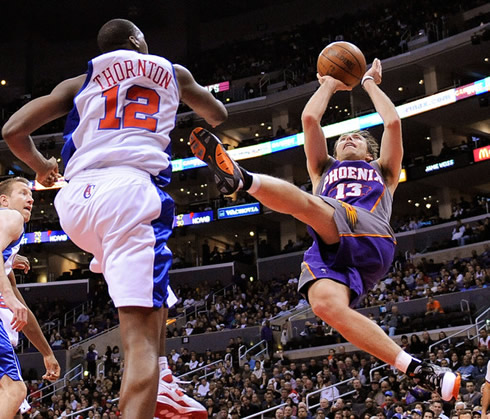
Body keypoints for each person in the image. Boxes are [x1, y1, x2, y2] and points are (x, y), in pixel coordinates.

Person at [189, 58, 459, 401]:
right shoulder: (323, 169)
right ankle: (420, 370)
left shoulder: (383, 171)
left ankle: (243, 180)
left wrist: (369, 84)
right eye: (343, 137)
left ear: (368, 151)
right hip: (330, 246)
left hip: (368, 231)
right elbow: (309, 119)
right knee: (325, 307)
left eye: (357, 138)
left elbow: (391, 122)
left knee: (312, 206)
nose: (348, 138)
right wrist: (329, 83)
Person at [2, 19, 227, 419]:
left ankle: (165, 379)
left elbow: (14, 130)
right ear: (139, 43)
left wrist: (39, 167)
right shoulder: (172, 71)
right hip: (130, 194)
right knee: (139, 342)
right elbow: (218, 114)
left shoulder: (81, 79)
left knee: (156, 291)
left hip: (76, 201)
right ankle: (155, 385)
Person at [0, 177, 61, 417]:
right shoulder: (10, 216)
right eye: (22, 193)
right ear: (4, 200)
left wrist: (47, 352)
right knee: (14, 390)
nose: (31, 198)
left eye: (31, 194)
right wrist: (9, 296)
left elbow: (24, 314)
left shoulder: (7, 256)